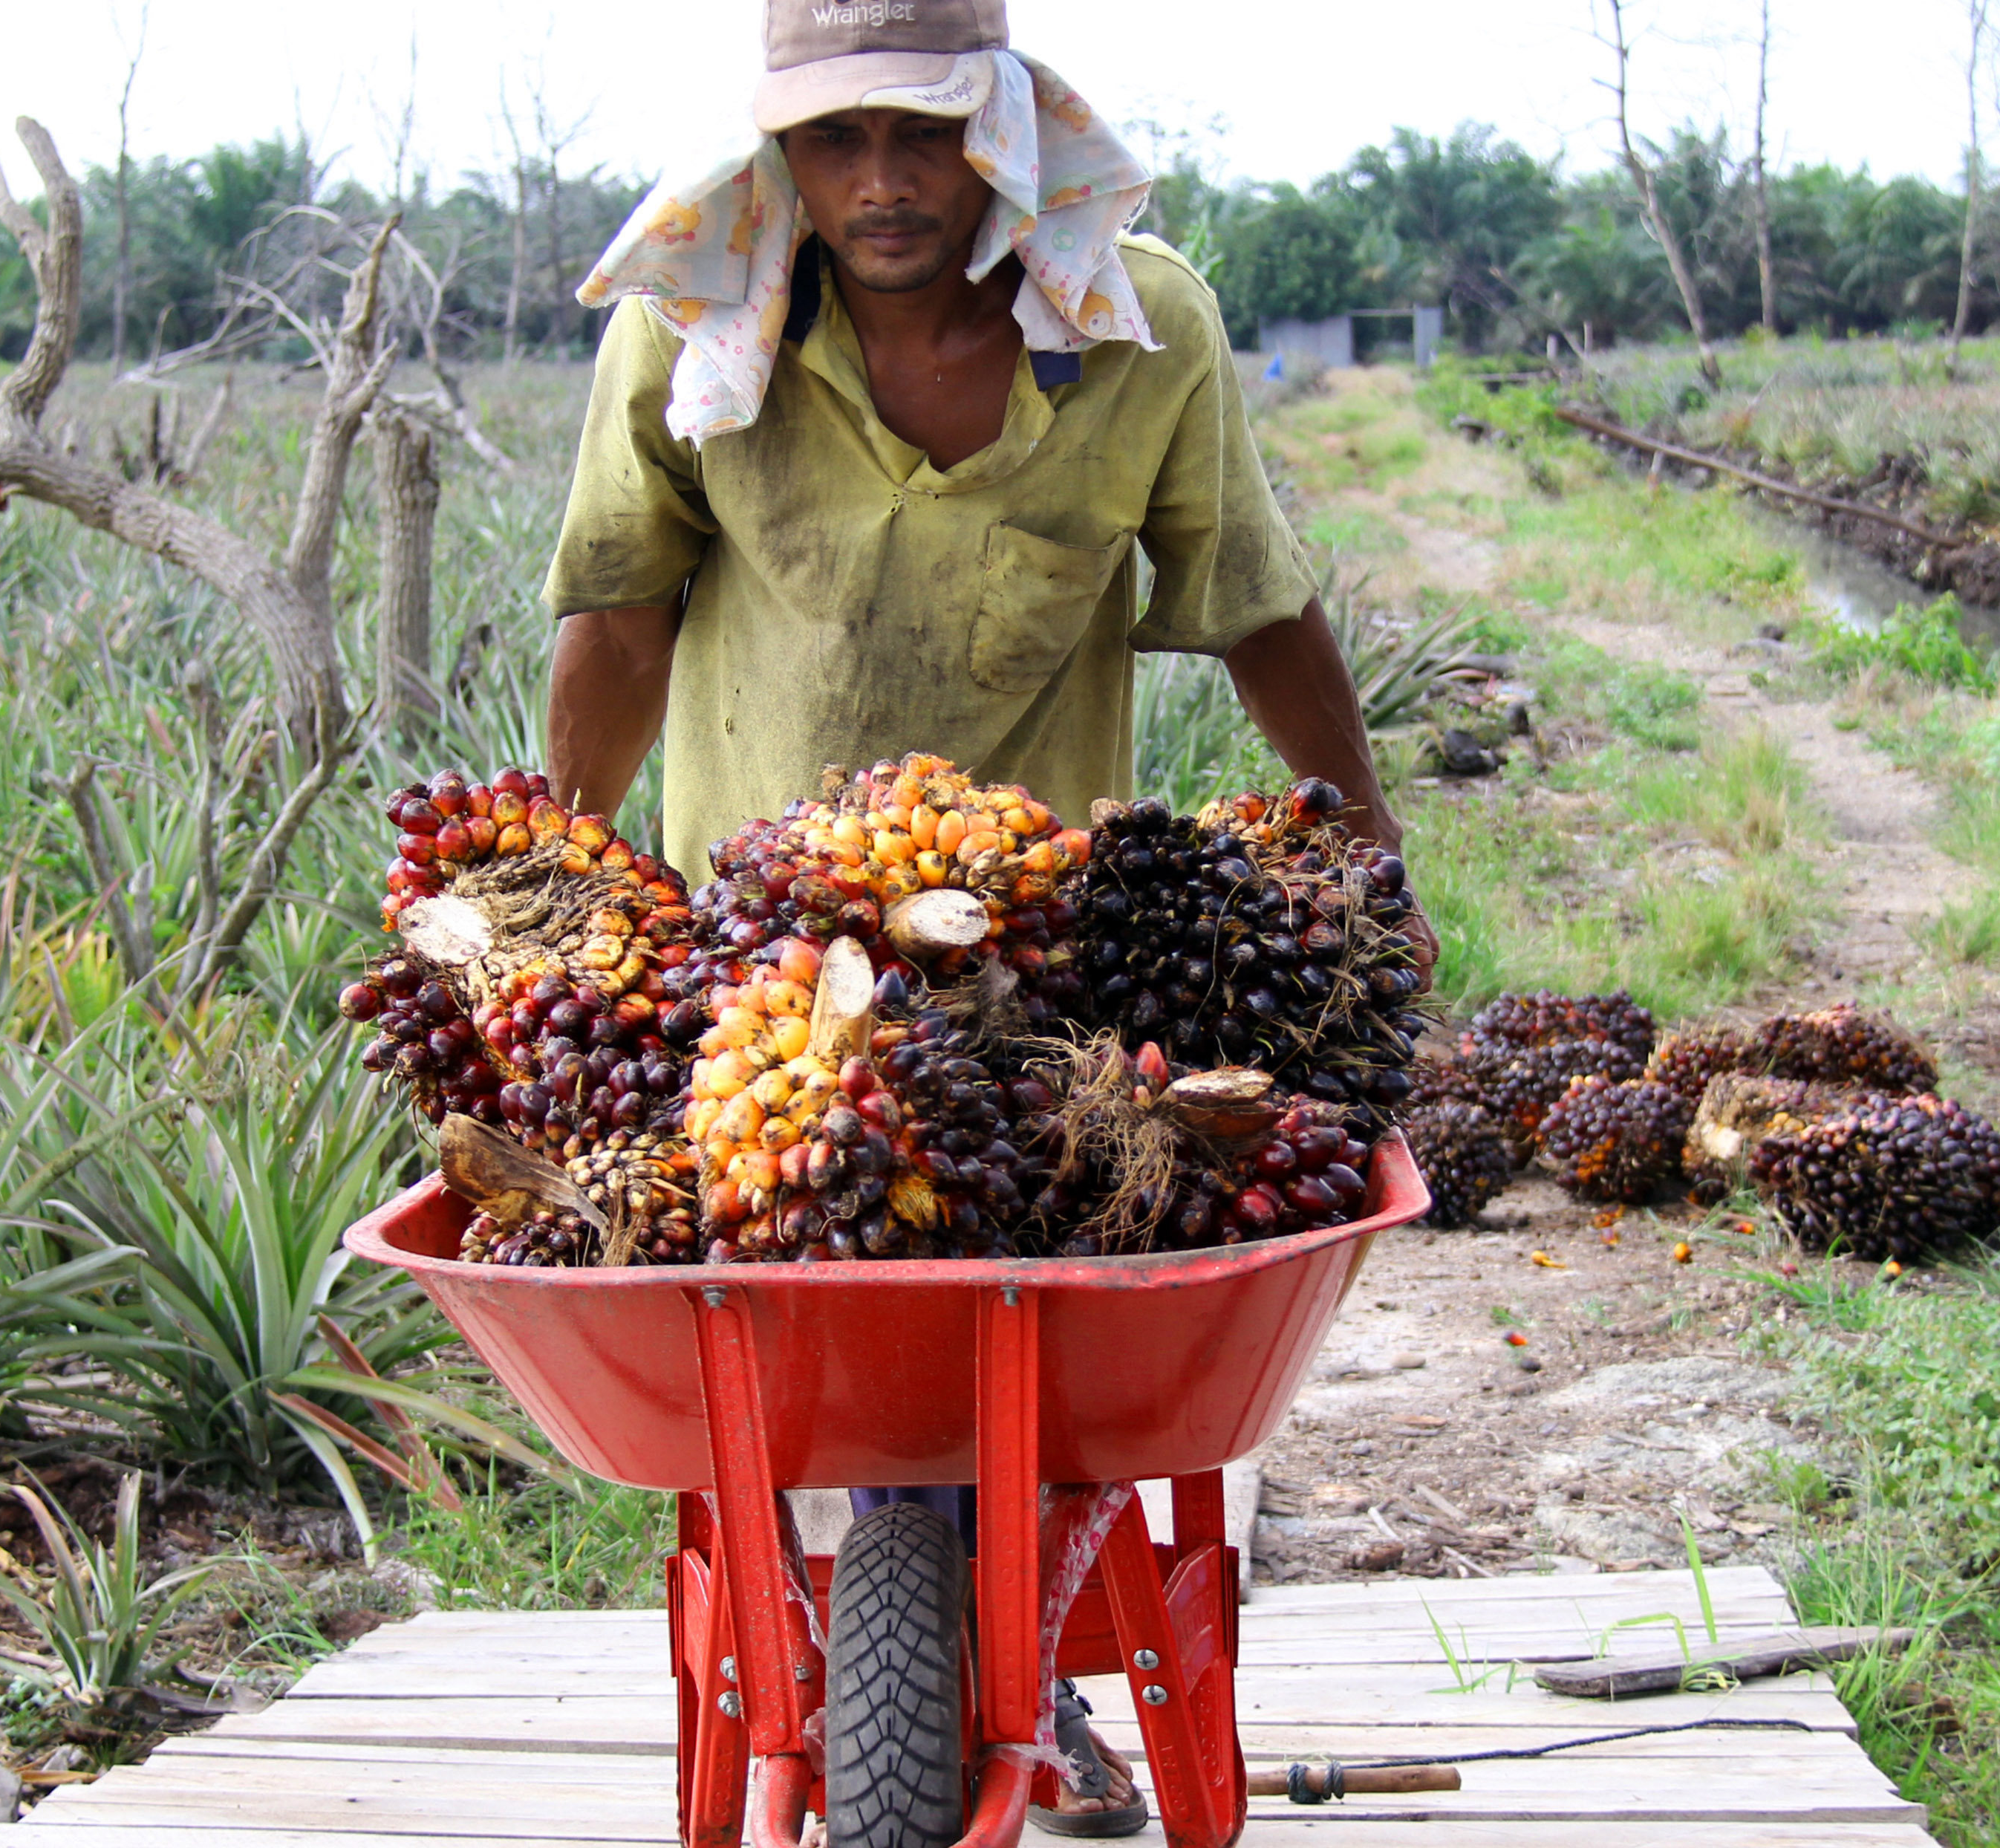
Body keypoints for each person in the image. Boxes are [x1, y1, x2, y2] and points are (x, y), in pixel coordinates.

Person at [541, 0, 1424, 1833]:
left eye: (924, 139)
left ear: (1007, 134)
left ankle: (970, 1640)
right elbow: (621, 619)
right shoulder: (701, 327)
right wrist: (552, 874)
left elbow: (1256, 607)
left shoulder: (1135, 329)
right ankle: (900, 1644)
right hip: (755, 965)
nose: (879, 184)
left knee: (986, 1309)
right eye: (837, 138)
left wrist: (1372, 854)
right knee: (828, 1322)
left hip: (1035, 960)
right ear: (782, 143)